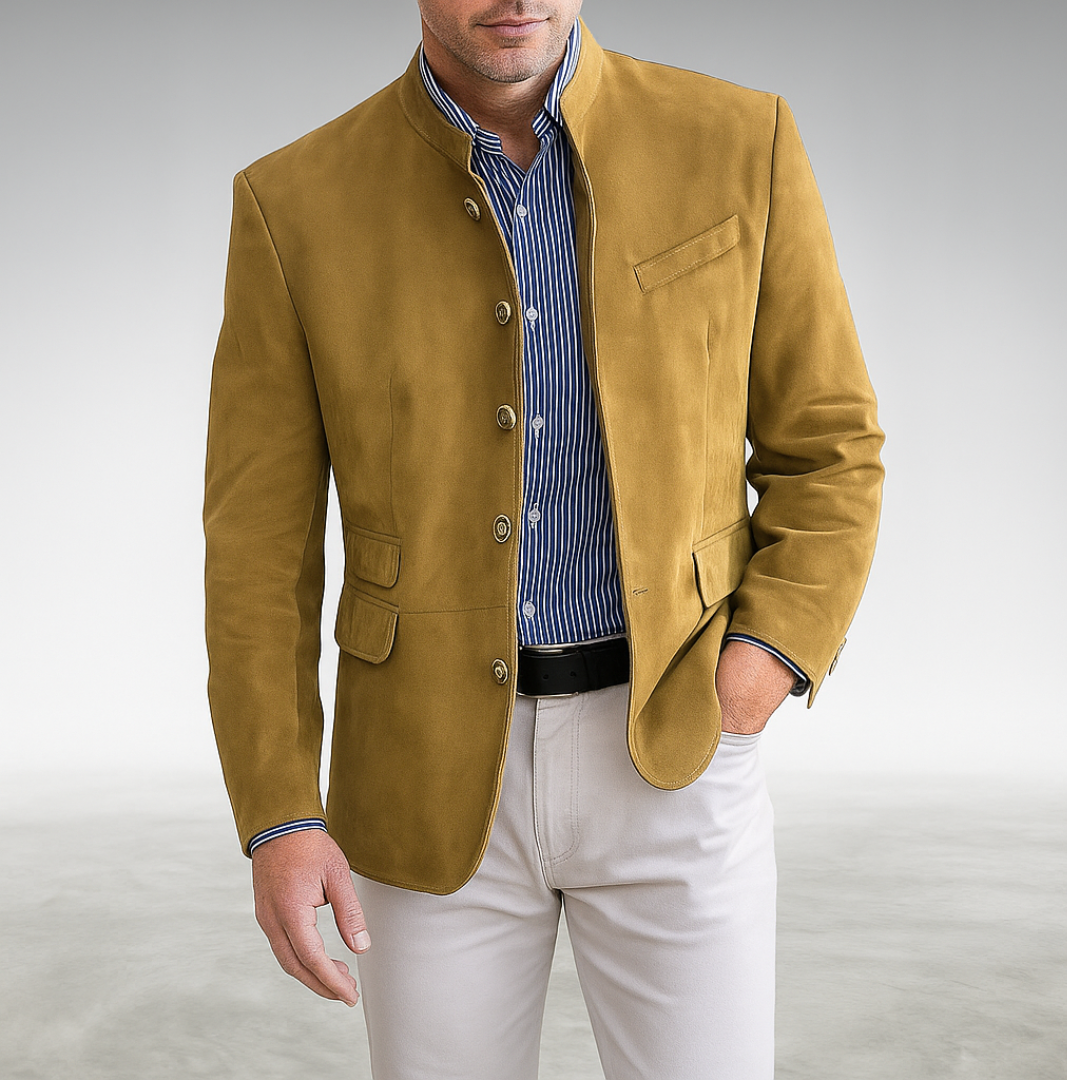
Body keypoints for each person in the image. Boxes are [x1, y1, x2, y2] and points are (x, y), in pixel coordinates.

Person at [203, 2, 884, 1077]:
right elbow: (256, 548)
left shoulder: (737, 139)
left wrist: (766, 660)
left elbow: (830, 446)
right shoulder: (293, 203)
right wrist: (279, 813)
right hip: (418, 778)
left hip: (674, 741)